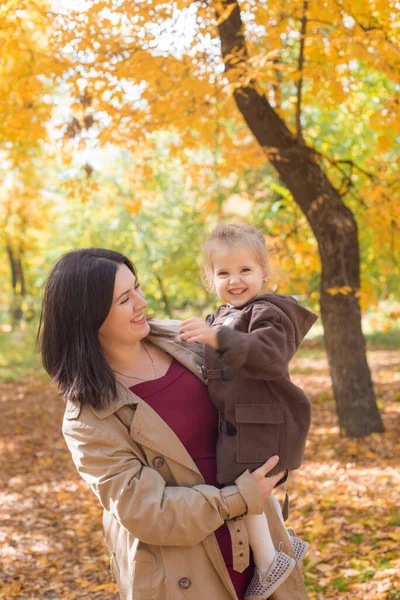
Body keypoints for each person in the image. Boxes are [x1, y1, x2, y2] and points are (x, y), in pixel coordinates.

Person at [37, 247, 310, 600]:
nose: (142, 302)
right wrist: (237, 498)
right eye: (125, 299)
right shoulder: (88, 417)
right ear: (88, 317)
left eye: (137, 288)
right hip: (181, 569)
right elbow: (146, 511)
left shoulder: (187, 341)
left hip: (259, 547)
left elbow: (256, 388)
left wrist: (277, 454)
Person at [179, 224, 318, 600]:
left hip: (264, 421)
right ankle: (283, 541)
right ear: (211, 279)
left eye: (245, 270)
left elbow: (269, 355)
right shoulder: (222, 316)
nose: (234, 280)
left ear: (264, 273)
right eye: (223, 272)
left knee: (246, 491)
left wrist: (217, 338)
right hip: (243, 423)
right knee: (254, 489)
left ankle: (269, 560)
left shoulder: (270, 313)